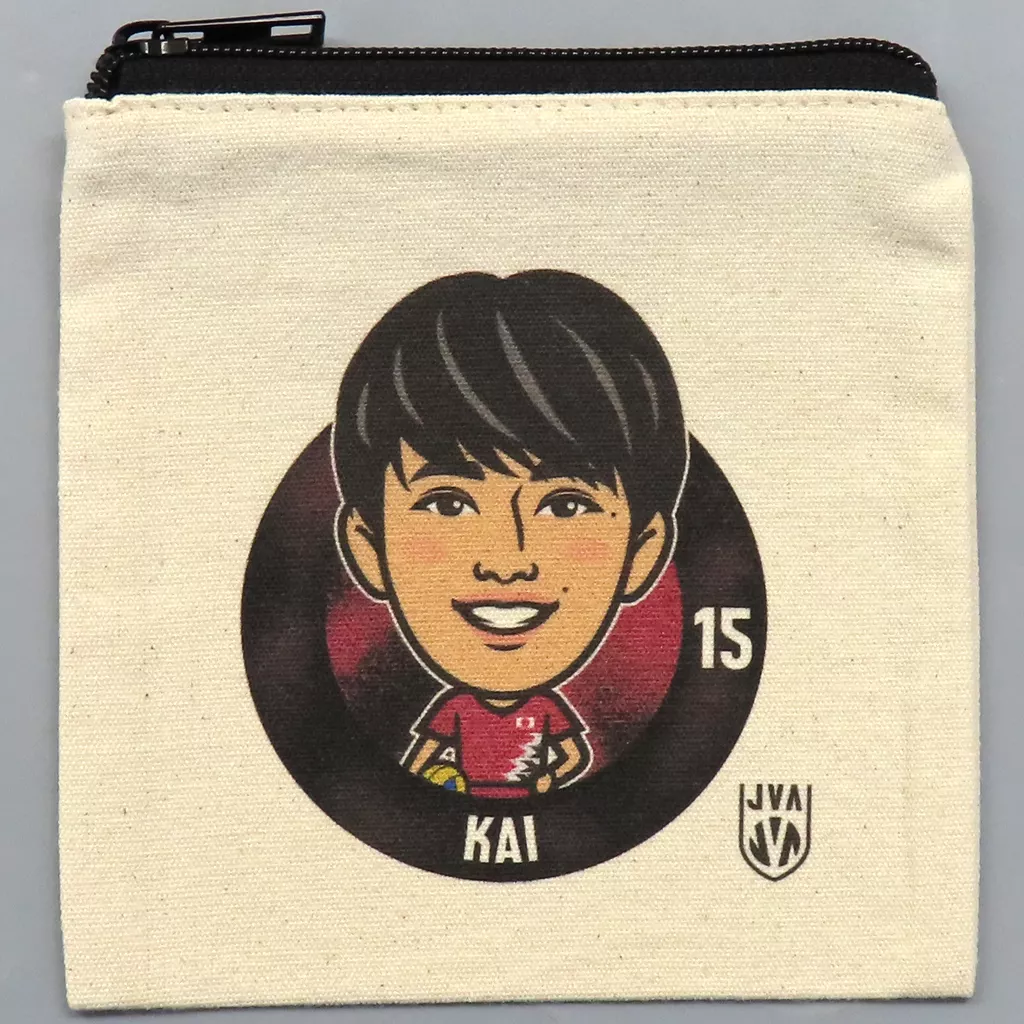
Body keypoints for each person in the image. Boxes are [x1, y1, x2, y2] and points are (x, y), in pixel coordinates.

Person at [332, 270, 687, 797]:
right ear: (368, 550)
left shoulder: (548, 713)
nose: (506, 560)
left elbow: (571, 756)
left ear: (643, 553)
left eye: (565, 506)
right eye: (449, 504)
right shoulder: (452, 714)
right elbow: (422, 764)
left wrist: (552, 778)